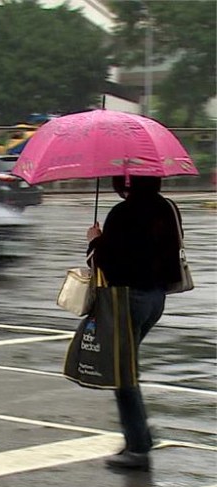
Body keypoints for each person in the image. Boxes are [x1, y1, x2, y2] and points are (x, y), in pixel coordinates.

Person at [86, 175, 183, 471]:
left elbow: (109, 261)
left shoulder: (122, 213)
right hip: (156, 298)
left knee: (122, 373)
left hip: (128, 299)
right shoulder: (168, 208)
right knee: (126, 366)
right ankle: (139, 435)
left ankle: (138, 448)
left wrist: (94, 241)